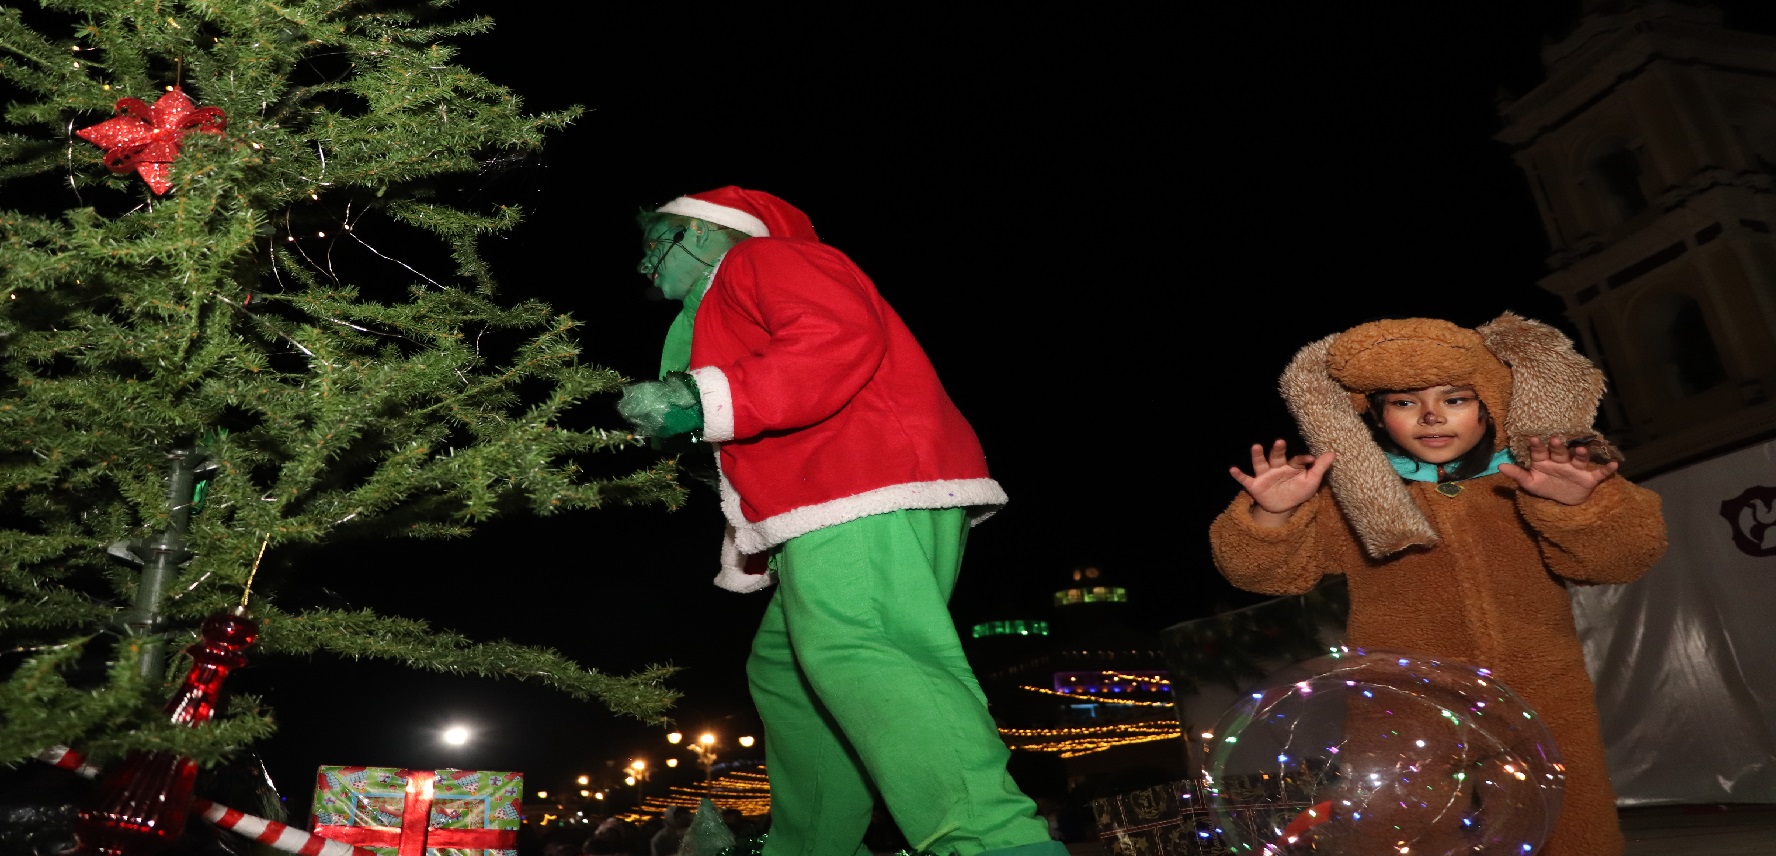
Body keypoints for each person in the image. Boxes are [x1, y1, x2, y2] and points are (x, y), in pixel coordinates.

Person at [617, 187, 1065, 856]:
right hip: (828, 500)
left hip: (860, 482)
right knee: (786, 667)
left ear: (706, 234)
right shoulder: (709, 313)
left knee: (868, 647)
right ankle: (811, 845)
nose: (644, 263)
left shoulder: (762, 262)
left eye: (656, 241)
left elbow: (834, 337)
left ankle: (988, 841)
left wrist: (700, 397)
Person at [1208, 314, 1668, 856]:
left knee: (1574, 820)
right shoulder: (1355, 496)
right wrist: (1270, 516)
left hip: (1543, 685)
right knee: (1392, 829)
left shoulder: (1532, 478)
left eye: (1454, 399)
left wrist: (1577, 506)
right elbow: (1263, 572)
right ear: (1375, 417)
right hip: (1400, 697)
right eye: (1404, 403)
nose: (1431, 417)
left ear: (1490, 405)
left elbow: (1623, 558)